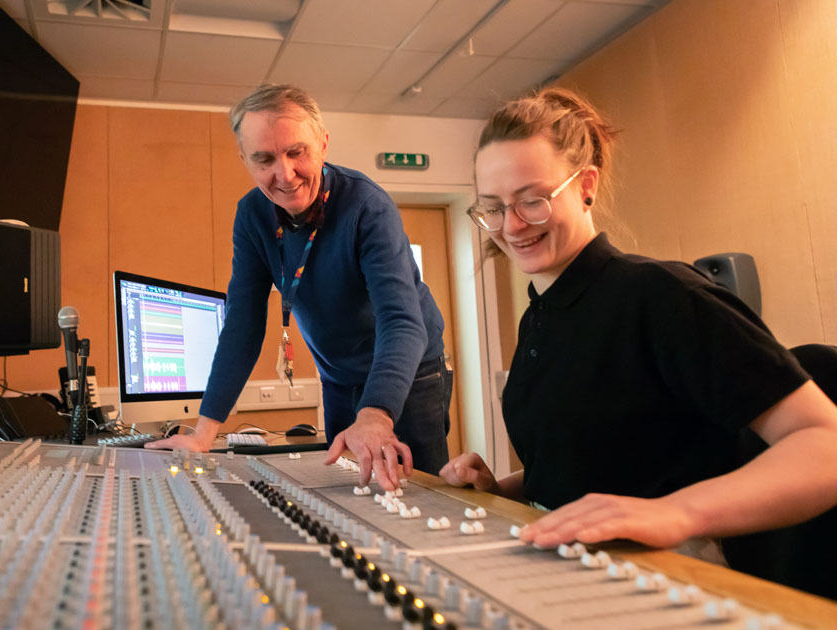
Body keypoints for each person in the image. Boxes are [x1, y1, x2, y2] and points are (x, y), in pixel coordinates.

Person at [440, 87, 837, 564]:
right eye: (494, 208)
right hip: (573, 561)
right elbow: (596, 463)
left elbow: (824, 443)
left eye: (533, 200)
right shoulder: (539, 318)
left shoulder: (662, 295)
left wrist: (675, 513)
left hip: (670, 570)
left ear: (585, 186)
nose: (513, 226)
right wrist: (498, 490)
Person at [148, 84, 451, 490]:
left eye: (296, 152)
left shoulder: (368, 206)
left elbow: (402, 322)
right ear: (245, 160)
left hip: (410, 371)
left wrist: (375, 414)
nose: (285, 174)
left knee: (420, 494)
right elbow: (242, 324)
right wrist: (203, 434)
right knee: (352, 490)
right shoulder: (252, 215)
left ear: (323, 144)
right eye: (264, 159)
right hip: (338, 377)